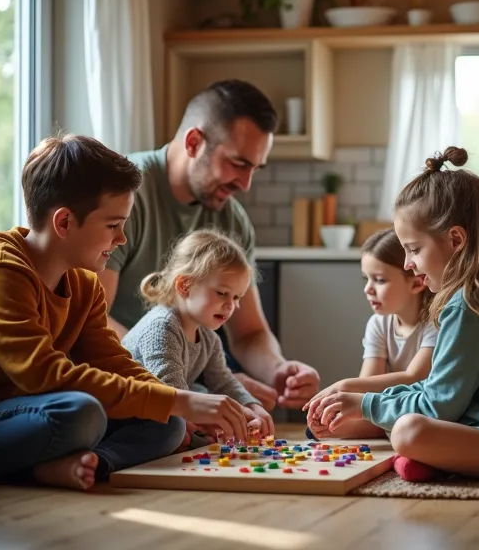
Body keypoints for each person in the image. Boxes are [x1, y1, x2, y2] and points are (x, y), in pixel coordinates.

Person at [0, 134, 251, 491]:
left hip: (29, 411)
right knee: (81, 413)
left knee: (168, 423)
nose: (122, 238)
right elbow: (44, 375)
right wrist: (181, 399)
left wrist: (178, 405)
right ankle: (35, 471)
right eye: (113, 225)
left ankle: (92, 465)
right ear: (64, 223)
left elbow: (113, 361)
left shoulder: (83, 283)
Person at [311, 147, 479, 483]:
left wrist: (366, 404)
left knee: (407, 431)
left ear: (455, 239)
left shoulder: (471, 305)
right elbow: (442, 394)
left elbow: (438, 406)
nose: (408, 264)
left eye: (414, 249)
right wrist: (364, 404)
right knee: (381, 422)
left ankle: (442, 459)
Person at [98, 79, 320, 411]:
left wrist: (277, 369)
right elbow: (91, 321)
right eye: (239, 164)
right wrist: (197, 383)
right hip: (119, 382)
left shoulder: (233, 221)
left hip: (183, 381)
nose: (245, 184)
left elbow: (248, 332)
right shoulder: (126, 195)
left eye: (255, 169)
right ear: (193, 142)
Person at [122, 229, 276, 448]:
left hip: (166, 406)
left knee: (203, 393)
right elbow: (170, 391)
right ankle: (105, 458)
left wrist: (251, 405)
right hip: (127, 412)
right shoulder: (162, 327)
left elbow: (222, 381)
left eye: (236, 297)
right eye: (222, 293)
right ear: (185, 285)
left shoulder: (208, 338)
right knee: (178, 424)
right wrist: (223, 416)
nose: (230, 305)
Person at [303, 228, 437, 440]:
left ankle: (399, 438)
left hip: (428, 409)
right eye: (366, 279)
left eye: (380, 280)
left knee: (413, 426)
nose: (368, 289)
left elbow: (415, 377)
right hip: (390, 408)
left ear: (416, 282)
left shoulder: (435, 321)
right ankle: (390, 433)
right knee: (326, 429)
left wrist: (343, 386)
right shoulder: (379, 323)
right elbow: (367, 386)